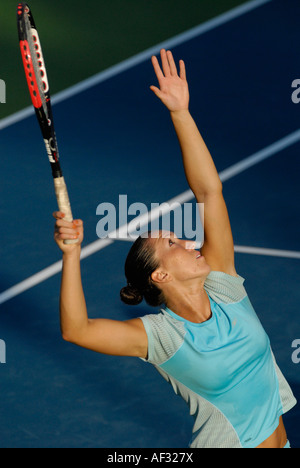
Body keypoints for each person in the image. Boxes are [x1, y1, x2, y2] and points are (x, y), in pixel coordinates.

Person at [53, 49, 296, 448]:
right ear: (160, 275)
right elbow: (76, 330)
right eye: (172, 243)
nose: (188, 240)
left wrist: (181, 114)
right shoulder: (161, 337)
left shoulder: (224, 287)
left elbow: (208, 192)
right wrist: (71, 254)